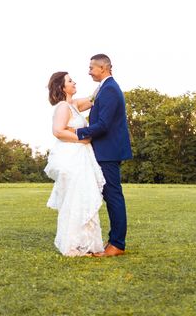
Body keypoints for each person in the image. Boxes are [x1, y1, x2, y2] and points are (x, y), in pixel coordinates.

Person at [71, 54, 132, 257]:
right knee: (110, 195)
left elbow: (104, 125)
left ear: (103, 67)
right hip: (105, 150)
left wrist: (77, 134)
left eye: (91, 68)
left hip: (108, 151)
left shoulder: (110, 90)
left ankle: (117, 244)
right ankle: (112, 241)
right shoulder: (105, 89)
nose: (89, 71)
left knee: (113, 195)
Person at [44, 71, 106, 257]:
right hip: (72, 156)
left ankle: (87, 244)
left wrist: (105, 79)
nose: (74, 82)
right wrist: (81, 138)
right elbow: (57, 131)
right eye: (70, 81)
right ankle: (72, 246)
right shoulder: (63, 106)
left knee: (85, 196)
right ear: (62, 87)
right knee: (75, 198)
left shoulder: (75, 104)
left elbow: (94, 97)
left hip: (83, 156)